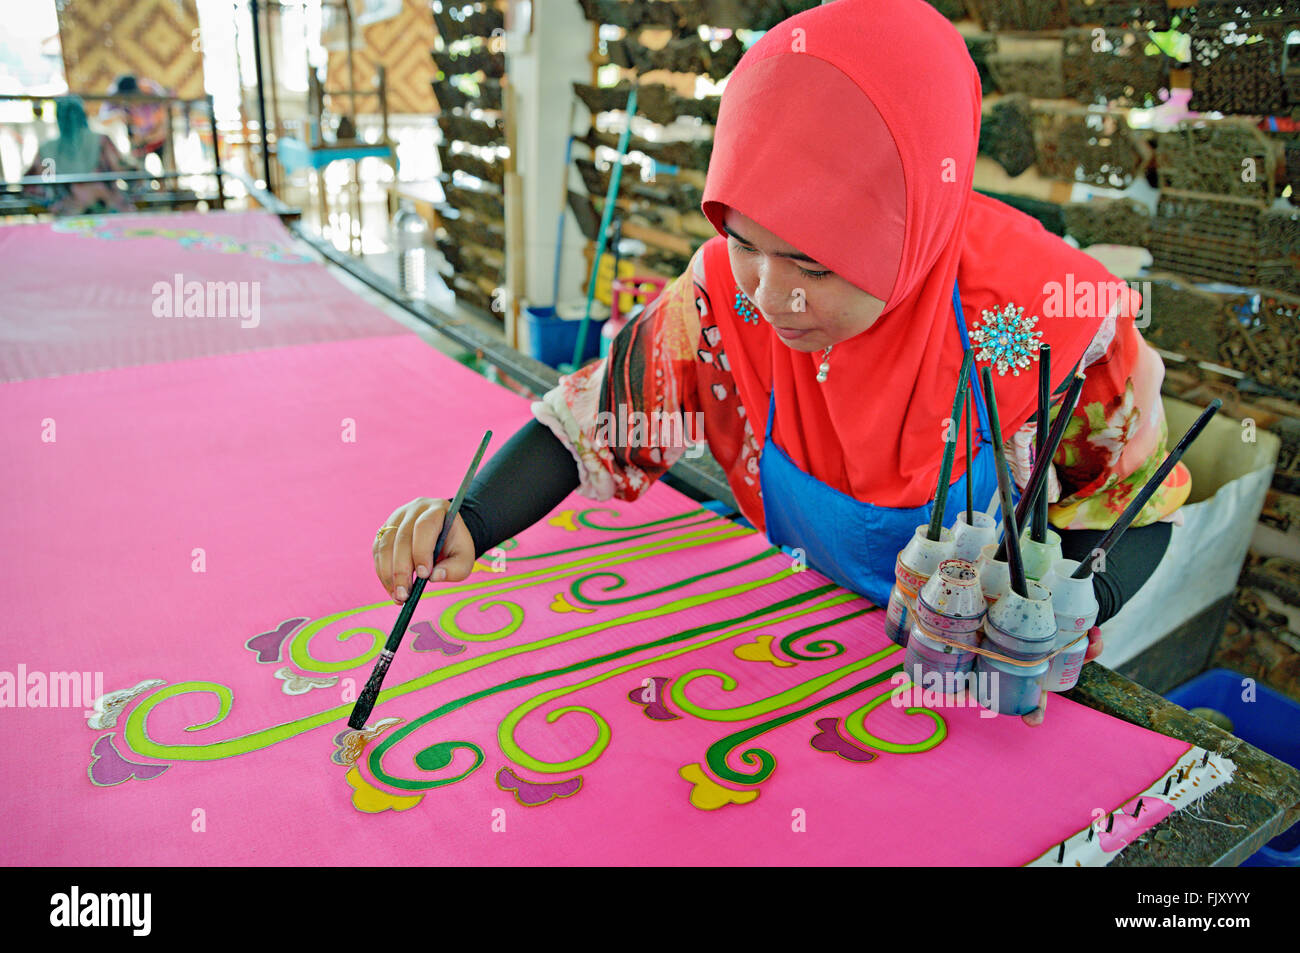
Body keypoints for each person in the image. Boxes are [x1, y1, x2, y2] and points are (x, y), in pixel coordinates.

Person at [372, 0, 1189, 724]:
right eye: (744, 241)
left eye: (814, 266)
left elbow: (1137, 509)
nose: (772, 297)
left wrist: (1066, 610)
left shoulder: (1045, 324)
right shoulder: (725, 295)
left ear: (914, 228)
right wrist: (473, 520)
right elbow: (600, 421)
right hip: (813, 640)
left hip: (976, 684)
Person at [23, 97, 134, 216]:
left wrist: (55, 203)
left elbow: (34, 186)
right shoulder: (100, 141)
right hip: (107, 207)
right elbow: (125, 169)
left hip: (69, 213)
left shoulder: (47, 150)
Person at [99, 74, 170, 172]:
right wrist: (120, 115)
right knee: (139, 172)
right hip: (137, 141)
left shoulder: (150, 89)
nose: (132, 103)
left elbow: (165, 112)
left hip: (159, 136)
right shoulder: (115, 93)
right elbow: (103, 119)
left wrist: (155, 134)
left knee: (167, 169)